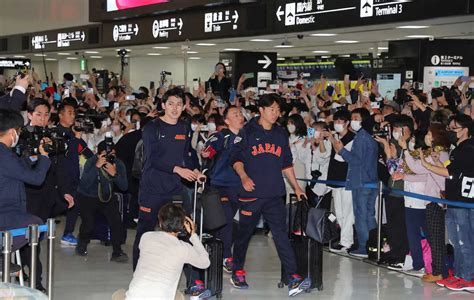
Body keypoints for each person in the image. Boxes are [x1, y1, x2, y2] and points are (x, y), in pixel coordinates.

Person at [229, 94, 311, 297]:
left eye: (277, 109)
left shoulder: (281, 133)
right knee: (244, 236)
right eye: (272, 109)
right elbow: (236, 159)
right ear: (261, 110)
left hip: (275, 193)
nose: (275, 113)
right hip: (251, 194)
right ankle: (237, 270)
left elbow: (286, 164)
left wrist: (297, 188)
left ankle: (293, 277)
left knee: (281, 235)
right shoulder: (247, 131)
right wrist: (244, 177)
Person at [133, 87, 205, 270]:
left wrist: (195, 170)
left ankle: (193, 282)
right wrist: (178, 170)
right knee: (145, 233)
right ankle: (139, 274)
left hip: (175, 189)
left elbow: (188, 154)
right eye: (171, 104)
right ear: (163, 105)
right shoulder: (151, 128)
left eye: (179, 104)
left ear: (184, 107)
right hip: (152, 189)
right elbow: (154, 158)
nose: (175, 108)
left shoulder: (184, 127)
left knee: (185, 231)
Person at [420, 114, 474, 291]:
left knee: (464, 241)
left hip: (463, 201)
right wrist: (436, 162)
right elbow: (451, 169)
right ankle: (459, 274)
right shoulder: (457, 149)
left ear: (465, 130)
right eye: (449, 127)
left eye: (454, 128)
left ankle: (467, 276)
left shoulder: (468, 149)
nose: (450, 131)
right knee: (456, 240)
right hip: (454, 200)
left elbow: (451, 172)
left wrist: (428, 165)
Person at [126, 203, 210, 300]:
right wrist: (193, 235)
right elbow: (205, 263)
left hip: (134, 297)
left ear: (160, 222)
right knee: (179, 296)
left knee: (118, 294)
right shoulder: (183, 248)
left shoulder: (146, 237)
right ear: (182, 226)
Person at [0, 109, 50, 260]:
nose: (19, 134)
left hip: (7, 208)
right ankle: (3, 254)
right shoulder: (5, 155)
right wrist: (45, 158)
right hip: (5, 211)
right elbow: (36, 179)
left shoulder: (5, 154)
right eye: (18, 130)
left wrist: (34, 158)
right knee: (35, 225)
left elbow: (15, 169)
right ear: (11, 132)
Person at [329, 108, 378, 258]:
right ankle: (373, 246)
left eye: (356, 118)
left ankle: (364, 246)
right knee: (368, 215)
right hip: (368, 181)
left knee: (361, 215)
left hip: (362, 181)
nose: (354, 121)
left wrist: (342, 151)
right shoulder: (365, 137)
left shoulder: (361, 138)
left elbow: (356, 161)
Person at [201, 105, 245, 273]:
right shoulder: (221, 136)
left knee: (231, 223)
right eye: (235, 114)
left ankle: (217, 250)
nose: (240, 116)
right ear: (227, 120)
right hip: (220, 185)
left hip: (240, 187)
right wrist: (207, 152)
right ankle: (227, 256)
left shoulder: (247, 137)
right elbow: (208, 150)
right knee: (225, 218)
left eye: (241, 113)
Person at [75, 139, 129, 262]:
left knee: (116, 222)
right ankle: (82, 242)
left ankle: (117, 251)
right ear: (98, 154)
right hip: (87, 196)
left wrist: (115, 174)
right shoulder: (91, 161)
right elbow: (84, 184)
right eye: (106, 155)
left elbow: (124, 186)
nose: (110, 157)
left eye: (113, 154)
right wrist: (96, 167)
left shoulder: (118, 164)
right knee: (88, 224)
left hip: (107, 196)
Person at [57, 101, 94, 247]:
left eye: (74, 113)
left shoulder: (73, 133)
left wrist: (97, 158)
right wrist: (77, 137)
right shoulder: (58, 133)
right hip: (61, 175)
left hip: (74, 174)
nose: (73, 116)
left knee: (75, 204)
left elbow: (83, 149)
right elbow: (71, 149)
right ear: (60, 115)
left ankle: (68, 233)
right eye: (69, 113)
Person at [323, 109, 355, 253]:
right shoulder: (335, 137)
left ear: (347, 123)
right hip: (335, 179)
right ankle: (344, 239)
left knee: (348, 212)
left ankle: (347, 241)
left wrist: (332, 140)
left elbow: (342, 155)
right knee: (339, 212)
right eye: (335, 121)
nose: (337, 124)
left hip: (347, 179)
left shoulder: (352, 138)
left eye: (340, 121)